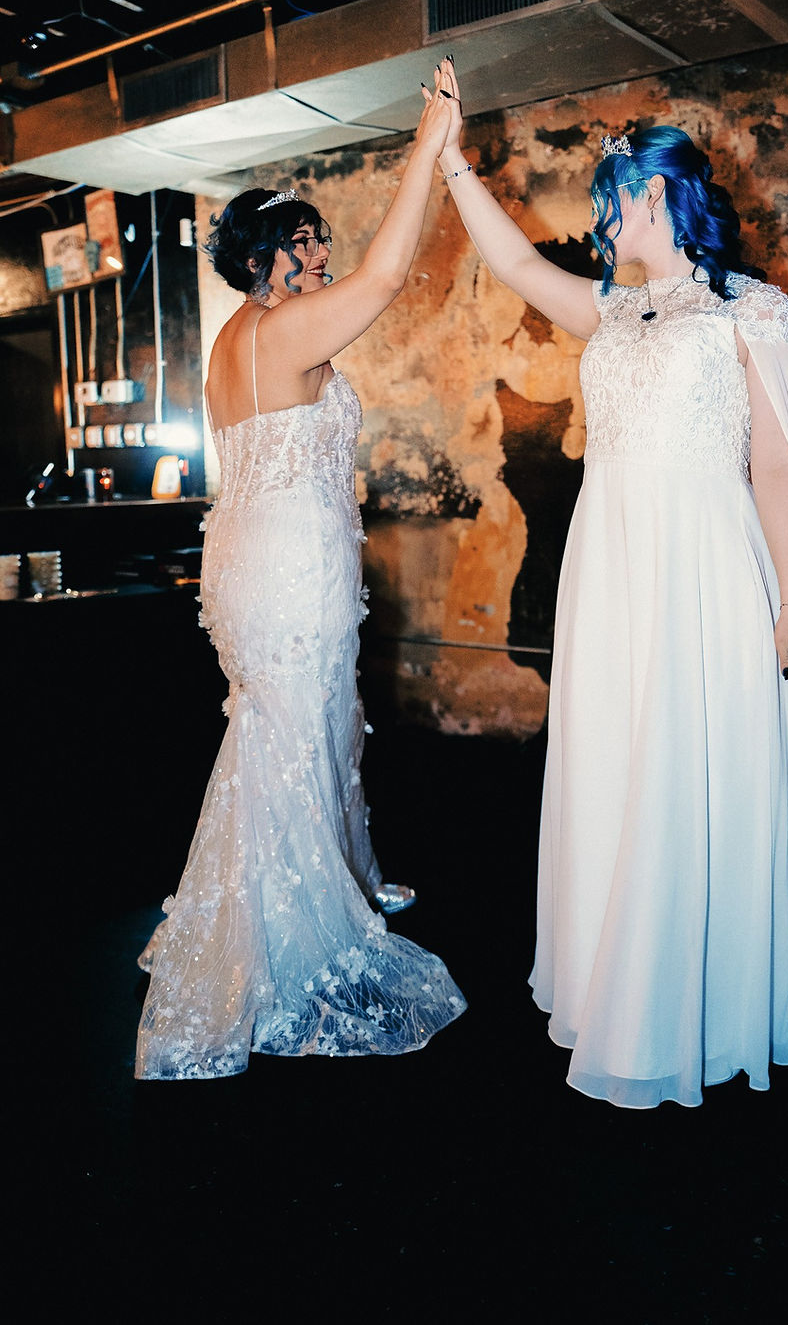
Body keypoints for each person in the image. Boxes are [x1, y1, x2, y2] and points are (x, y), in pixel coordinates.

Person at [435, 59, 788, 1107]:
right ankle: (631, 990)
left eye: (606, 202)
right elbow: (511, 261)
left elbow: (779, 469)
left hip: (705, 566)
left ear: (650, 193)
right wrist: (449, 158)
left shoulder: (753, 312)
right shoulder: (609, 311)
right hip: (610, 574)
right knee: (622, 768)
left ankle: (707, 1004)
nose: (598, 223)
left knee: (696, 767)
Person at [135, 65, 466, 1080]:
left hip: (247, 559)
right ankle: (289, 939)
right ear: (262, 261)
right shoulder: (282, 328)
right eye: (303, 243)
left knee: (280, 730)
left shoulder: (232, 342)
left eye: (321, 238)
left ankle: (291, 893)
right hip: (289, 568)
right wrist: (427, 148)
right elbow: (387, 277)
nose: (321, 255)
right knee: (294, 730)